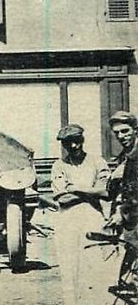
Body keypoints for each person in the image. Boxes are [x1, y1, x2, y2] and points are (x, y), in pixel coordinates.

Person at [50, 124, 110, 305]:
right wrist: (91, 191)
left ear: (82, 140)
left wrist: (75, 188)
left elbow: (106, 191)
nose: (73, 146)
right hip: (67, 221)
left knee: (94, 265)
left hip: (93, 217)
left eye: (76, 141)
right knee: (69, 267)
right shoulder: (59, 166)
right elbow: (62, 199)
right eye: (68, 143)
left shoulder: (97, 162)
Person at [108, 111, 138, 294]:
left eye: (125, 131)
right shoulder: (126, 155)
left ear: (136, 130)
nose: (121, 136)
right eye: (117, 133)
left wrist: (121, 212)